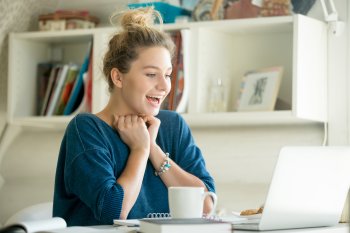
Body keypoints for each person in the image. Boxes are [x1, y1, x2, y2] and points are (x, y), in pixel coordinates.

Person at [52, 7, 215, 226]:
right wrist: (140, 150)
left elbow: (206, 206)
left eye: (167, 74)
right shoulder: (86, 130)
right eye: (151, 74)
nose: (164, 85)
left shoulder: (173, 125)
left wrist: (154, 151)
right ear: (118, 77)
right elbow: (114, 211)